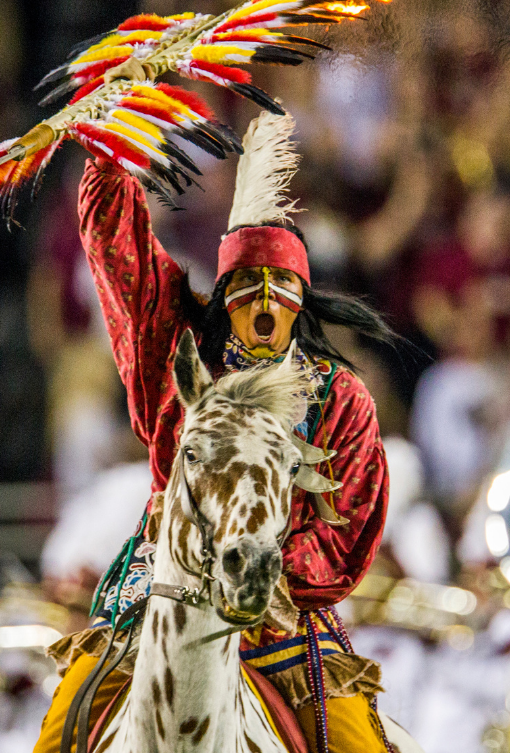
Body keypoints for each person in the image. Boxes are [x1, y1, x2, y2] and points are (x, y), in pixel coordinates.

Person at [34, 112, 395, 753]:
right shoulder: (177, 352)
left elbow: (347, 527)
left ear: (302, 298)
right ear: (221, 292)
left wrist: (267, 568)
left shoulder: (341, 397)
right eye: (247, 286)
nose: (263, 302)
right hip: (159, 588)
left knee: (361, 744)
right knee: (60, 732)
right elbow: (123, 258)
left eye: (281, 286)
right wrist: (113, 144)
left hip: (279, 611)